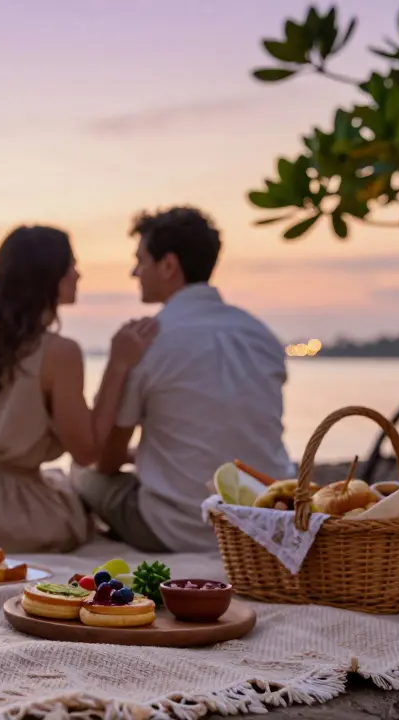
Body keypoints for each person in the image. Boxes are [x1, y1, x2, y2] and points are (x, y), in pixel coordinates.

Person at [0, 225, 159, 553]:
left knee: (60, 483)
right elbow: (87, 452)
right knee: (75, 504)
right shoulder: (59, 352)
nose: (78, 275)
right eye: (71, 266)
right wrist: (118, 365)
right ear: (48, 277)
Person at [74, 206, 295, 553]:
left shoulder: (149, 340)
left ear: (168, 265)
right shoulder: (261, 335)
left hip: (178, 529)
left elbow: (107, 460)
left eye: (141, 260)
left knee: (80, 471)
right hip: (263, 521)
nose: (134, 271)